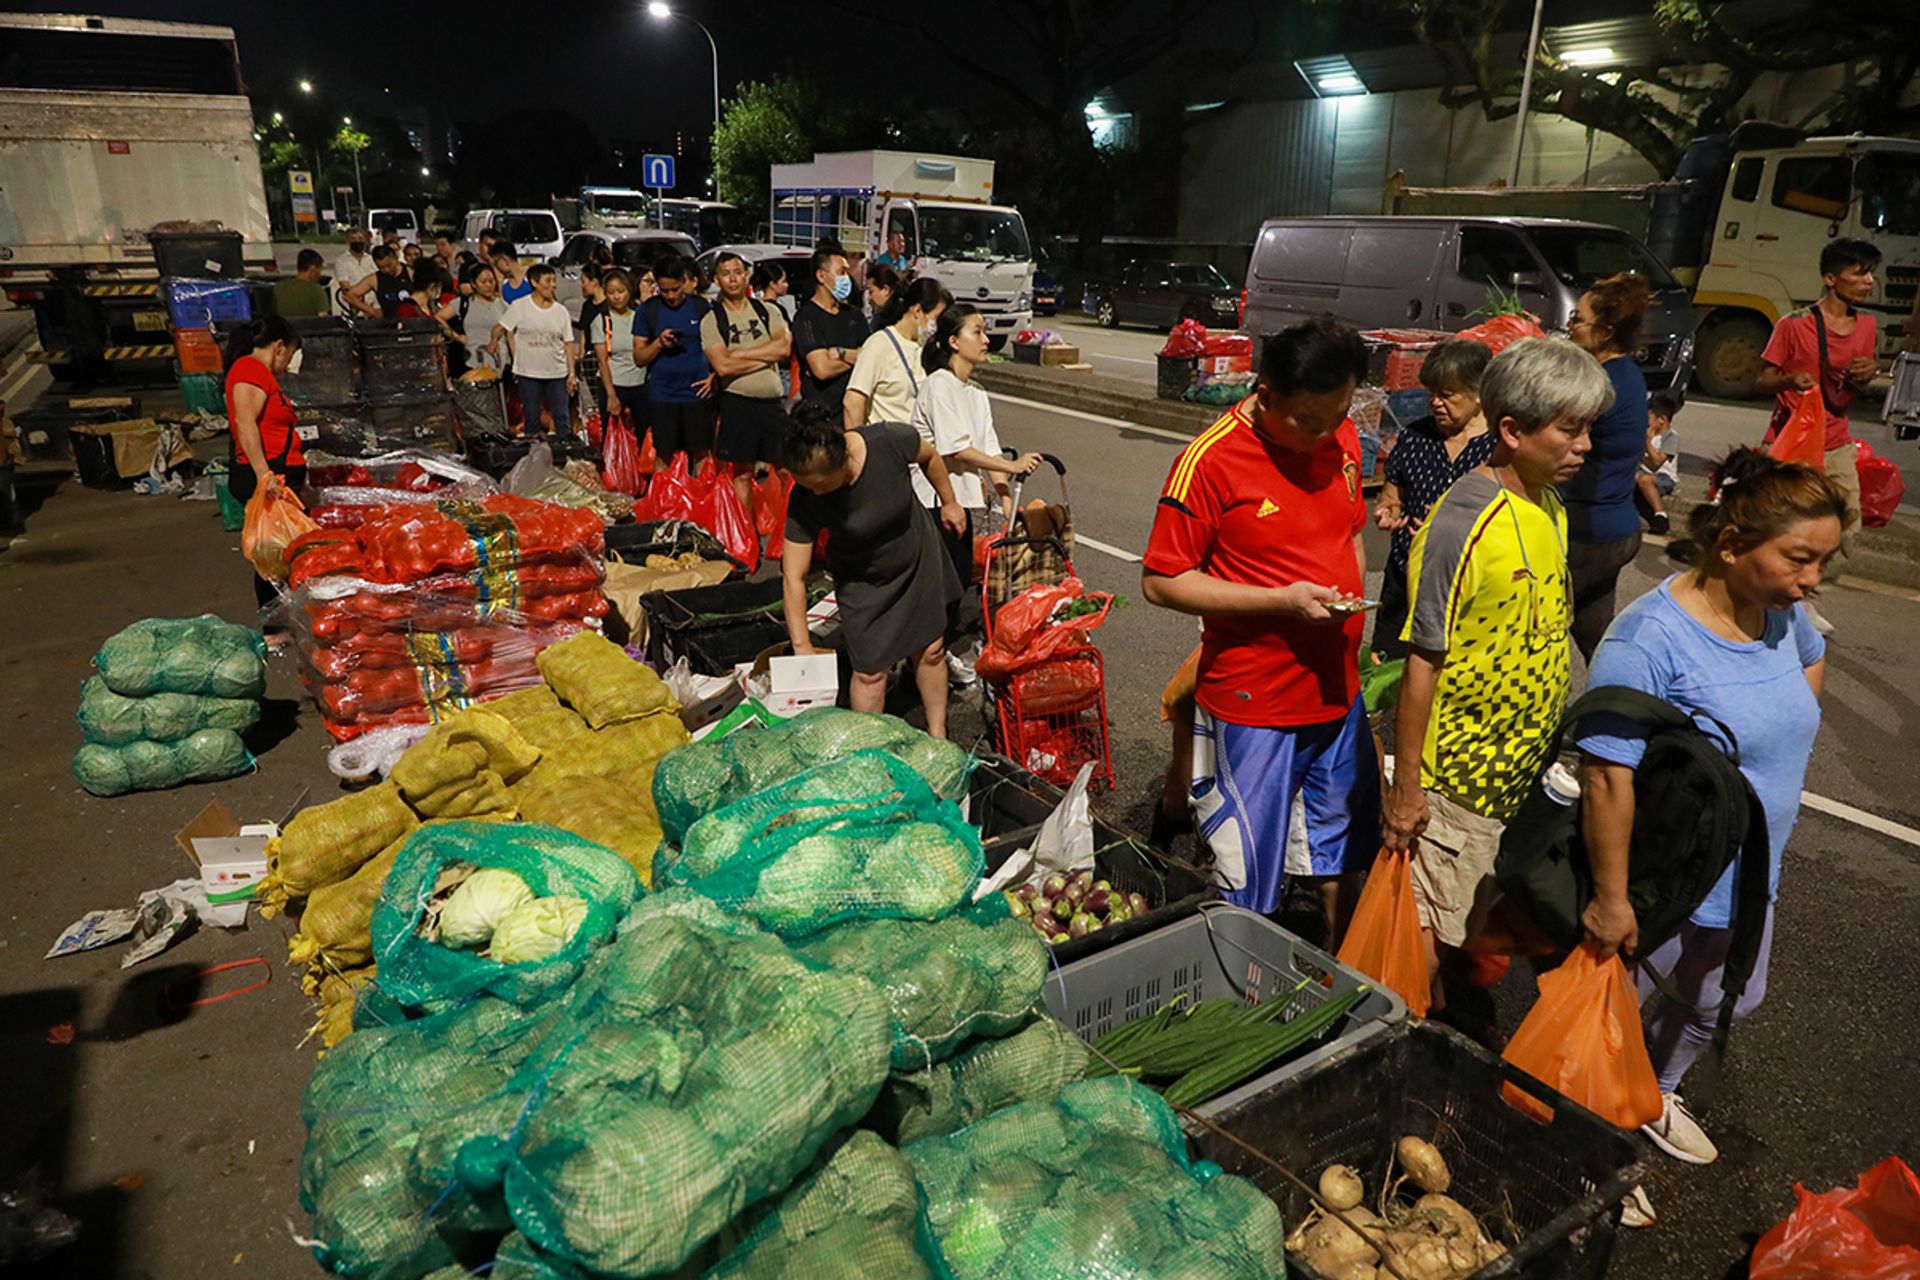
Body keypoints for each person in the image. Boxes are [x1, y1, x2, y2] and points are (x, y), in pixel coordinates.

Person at [1575, 448, 1845, 1219]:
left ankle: (1653, 1094)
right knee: (1612, 1019)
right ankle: (1593, 1145)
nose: (1813, 579)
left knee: (1727, 998)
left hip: (1751, 871)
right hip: (1667, 878)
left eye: (1825, 560)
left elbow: (1810, 666)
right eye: (1799, 558)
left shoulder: (1780, 616)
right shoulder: (1647, 641)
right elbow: (1606, 775)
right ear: (1730, 546)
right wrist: (1613, 899)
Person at [1381, 338, 1612, 1020]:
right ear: (1511, 431)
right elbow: (1424, 659)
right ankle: (1410, 1040)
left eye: (1589, 428)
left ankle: (1447, 1009)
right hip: (1458, 778)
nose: (1586, 446)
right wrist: (1406, 789)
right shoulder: (1464, 522)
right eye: (1569, 429)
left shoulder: (1548, 505)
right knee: (1430, 925)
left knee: (1475, 912)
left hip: (1519, 774)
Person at [1141, 318, 1377, 938]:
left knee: (1340, 851)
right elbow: (1162, 581)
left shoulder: (1343, 436)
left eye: (1339, 414)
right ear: (1265, 393)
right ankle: (1244, 984)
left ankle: (1340, 975)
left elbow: (1351, 528)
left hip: (1337, 691)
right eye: (1310, 420)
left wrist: (1349, 609)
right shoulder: (1210, 461)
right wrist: (1281, 602)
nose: (1327, 432)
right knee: (1249, 868)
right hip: (1256, 701)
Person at [780, 402, 967, 737]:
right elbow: (793, 575)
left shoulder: (888, 441)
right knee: (869, 671)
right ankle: (871, 749)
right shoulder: (806, 498)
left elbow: (929, 457)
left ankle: (939, 733)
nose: (815, 493)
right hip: (862, 578)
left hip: (915, 555)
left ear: (843, 460)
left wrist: (949, 501)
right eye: (806, 485)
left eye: (821, 484)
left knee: (931, 650)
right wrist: (801, 645)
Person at [1754, 237, 1881, 633]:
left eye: (1870, 273)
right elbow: (1761, 380)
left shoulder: (1867, 326)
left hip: (1837, 440)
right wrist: (1789, 379)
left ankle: (1802, 593)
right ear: (1830, 278)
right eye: (1859, 272)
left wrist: (1868, 373)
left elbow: (1855, 385)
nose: (1869, 281)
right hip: (1792, 440)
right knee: (1780, 524)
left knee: (1847, 528)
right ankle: (1783, 599)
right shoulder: (1793, 325)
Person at [1371, 339, 1496, 662]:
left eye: (1447, 394)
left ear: (1479, 393)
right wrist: (1388, 512)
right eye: (1432, 394)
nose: (1436, 403)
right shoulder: (1416, 437)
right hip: (1405, 576)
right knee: (1387, 670)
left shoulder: (1500, 447)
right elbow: (1392, 495)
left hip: (1466, 584)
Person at [908, 301, 1037, 585]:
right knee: (939, 590)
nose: (986, 340)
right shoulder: (939, 384)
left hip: (960, 504)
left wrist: (1006, 500)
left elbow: (990, 449)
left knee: (959, 582)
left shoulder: (976, 392)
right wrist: (1013, 464)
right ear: (954, 341)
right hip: (933, 503)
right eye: (976, 332)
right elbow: (956, 448)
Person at [1561, 272, 1654, 662]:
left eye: (1577, 320)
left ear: (1606, 329)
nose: (1570, 327)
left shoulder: (1600, 384)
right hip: (1617, 529)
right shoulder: (1626, 373)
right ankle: (1614, 707)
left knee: (1539, 626)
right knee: (1593, 631)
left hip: (1588, 533)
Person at [222, 315, 305, 630]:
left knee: (283, 553)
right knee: (272, 557)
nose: (288, 363)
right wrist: (263, 475)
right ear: (279, 347)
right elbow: (246, 423)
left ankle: (286, 623)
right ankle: (274, 629)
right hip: (269, 475)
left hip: (276, 473)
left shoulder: (256, 372)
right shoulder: (250, 369)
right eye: (290, 353)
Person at [701, 251, 792, 511]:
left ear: (747, 276)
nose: (733, 279)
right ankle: (745, 537)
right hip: (737, 405)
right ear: (716, 280)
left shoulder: (768, 310)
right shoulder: (712, 320)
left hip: (772, 404)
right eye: (726, 273)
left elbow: (784, 349)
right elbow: (722, 366)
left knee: (786, 469)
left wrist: (739, 354)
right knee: (742, 473)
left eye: (738, 272)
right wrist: (765, 354)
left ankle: (790, 533)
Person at [633, 254, 716, 468]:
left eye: (676, 289)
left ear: (685, 281)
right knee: (664, 454)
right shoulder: (648, 311)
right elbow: (639, 357)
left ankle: (701, 497)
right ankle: (665, 499)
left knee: (701, 454)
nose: (671, 296)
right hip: (663, 396)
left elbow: (719, 347)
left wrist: (713, 377)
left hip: (697, 396)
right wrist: (659, 343)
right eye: (665, 290)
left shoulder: (701, 308)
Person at [847, 277, 949, 429]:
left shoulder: (925, 347)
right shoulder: (879, 344)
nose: (937, 326)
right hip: (888, 445)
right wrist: (857, 446)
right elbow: (853, 402)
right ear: (917, 310)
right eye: (936, 318)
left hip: (921, 446)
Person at [493, 263, 576, 436]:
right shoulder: (520, 306)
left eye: (554, 281)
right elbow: (501, 328)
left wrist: (571, 373)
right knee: (531, 418)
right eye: (548, 281)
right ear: (534, 282)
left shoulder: (561, 311)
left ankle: (566, 454)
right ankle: (534, 457)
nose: (552, 285)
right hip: (529, 372)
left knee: (561, 417)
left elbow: (568, 343)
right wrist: (494, 341)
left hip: (557, 373)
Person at [791, 245, 870, 414]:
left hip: (852, 412)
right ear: (821, 276)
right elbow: (822, 369)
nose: (847, 278)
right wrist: (856, 357)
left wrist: (841, 353)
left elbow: (871, 357)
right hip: (820, 415)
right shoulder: (806, 317)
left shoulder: (854, 315)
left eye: (848, 272)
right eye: (841, 272)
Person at [593, 268, 648, 435]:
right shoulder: (601, 320)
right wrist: (611, 395)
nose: (616, 297)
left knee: (644, 436)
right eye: (611, 293)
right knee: (613, 437)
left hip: (640, 385)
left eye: (621, 291)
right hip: (615, 385)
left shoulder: (640, 316)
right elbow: (602, 362)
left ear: (629, 291)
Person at [1636, 389, 1683, 536]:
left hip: (1663, 478)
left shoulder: (1670, 437)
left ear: (1661, 419)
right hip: (1642, 474)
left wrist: (1647, 442)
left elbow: (1656, 462)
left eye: (1649, 417)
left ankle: (1660, 515)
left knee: (1645, 480)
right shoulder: (1643, 433)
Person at [462, 264, 510, 375]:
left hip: (500, 362)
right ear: (473, 284)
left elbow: (511, 335)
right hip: (472, 363)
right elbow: (438, 318)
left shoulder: (503, 305)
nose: (489, 285)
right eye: (483, 282)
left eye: (492, 281)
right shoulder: (464, 303)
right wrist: (456, 336)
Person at [342, 245, 407, 320]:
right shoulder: (374, 279)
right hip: (389, 323)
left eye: (389, 265)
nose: (386, 270)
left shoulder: (410, 273)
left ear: (395, 258)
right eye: (381, 267)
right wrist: (372, 311)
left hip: (413, 322)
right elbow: (349, 295)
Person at [273, 249, 331, 318]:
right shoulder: (317, 291)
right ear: (313, 269)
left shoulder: (278, 287)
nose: (320, 274)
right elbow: (323, 319)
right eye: (320, 269)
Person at [330, 231, 375, 317]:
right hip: (352, 310)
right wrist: (365, 308)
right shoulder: (341, 261)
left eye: (360, 239)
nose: (357, 241)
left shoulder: (371, 260)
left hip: (373, 309)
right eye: (353, 239)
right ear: (348, 241)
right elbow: (345, 287)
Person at [864, 262, 902, 334]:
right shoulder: (905, 308)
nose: (870, 298)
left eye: (871, 291)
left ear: (885, 290)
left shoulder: (885, 319)